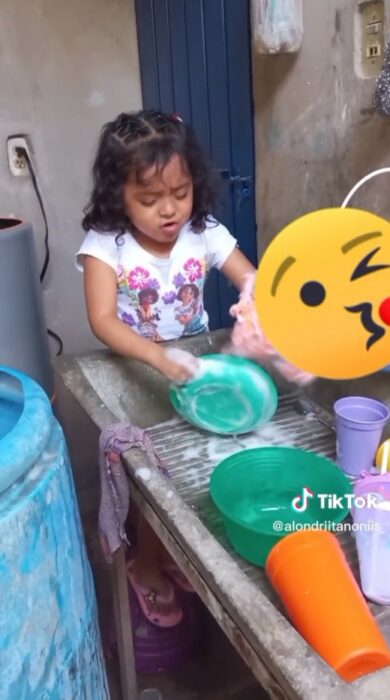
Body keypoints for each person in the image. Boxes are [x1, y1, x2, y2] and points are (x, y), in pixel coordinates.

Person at [76, 109, 255, 627]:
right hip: (134, 371)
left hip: (193, 369)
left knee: (193, 474)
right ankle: (145, 563)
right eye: (150, 200)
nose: (170, 210)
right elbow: (102, 320)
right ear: (118, 197)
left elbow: (251, 278)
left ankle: (174, 555)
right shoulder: (106, 247)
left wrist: (260, 306)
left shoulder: (205, 231)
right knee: (156, 484)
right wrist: (158, 356)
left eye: (180, 192)